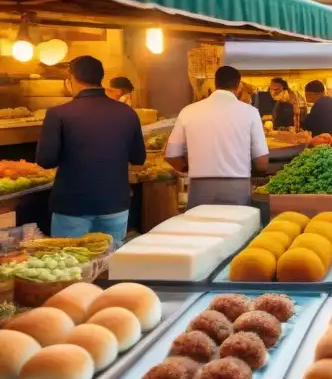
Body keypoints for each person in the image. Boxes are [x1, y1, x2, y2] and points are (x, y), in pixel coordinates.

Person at [36, 56, 146, 242]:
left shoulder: (57, 114)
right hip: (115, 204)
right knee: (109, 264)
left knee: (73, 267)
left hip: (72, 206)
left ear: (71, 79)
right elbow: (138, 158)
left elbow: (45, 160)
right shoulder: (127, 112)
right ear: (100, 78)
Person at [165, 66, 270, 208]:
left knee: (203, 227)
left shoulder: (189, 111)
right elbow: (262, 162)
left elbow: (171, 155)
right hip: (237, 187)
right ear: (238, 85)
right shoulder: (250, 112)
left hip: (200, 187)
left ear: (216, 84)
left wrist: (190, 168)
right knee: (237, 228)